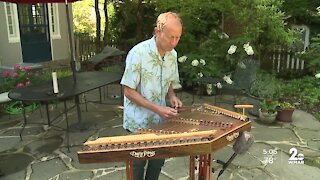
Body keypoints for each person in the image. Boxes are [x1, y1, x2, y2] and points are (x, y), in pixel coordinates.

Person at [120, 12, 183, 180]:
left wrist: (172, 96)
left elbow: (169, 81)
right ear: (157, 31)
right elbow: (128, 91)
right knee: (137, 168)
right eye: (171, 37)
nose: (174, 42)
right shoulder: (137, 54)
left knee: (156, 165)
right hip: (138, 123)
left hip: (160, 123)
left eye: (178, 37)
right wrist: (157, 108)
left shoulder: (173, 55)